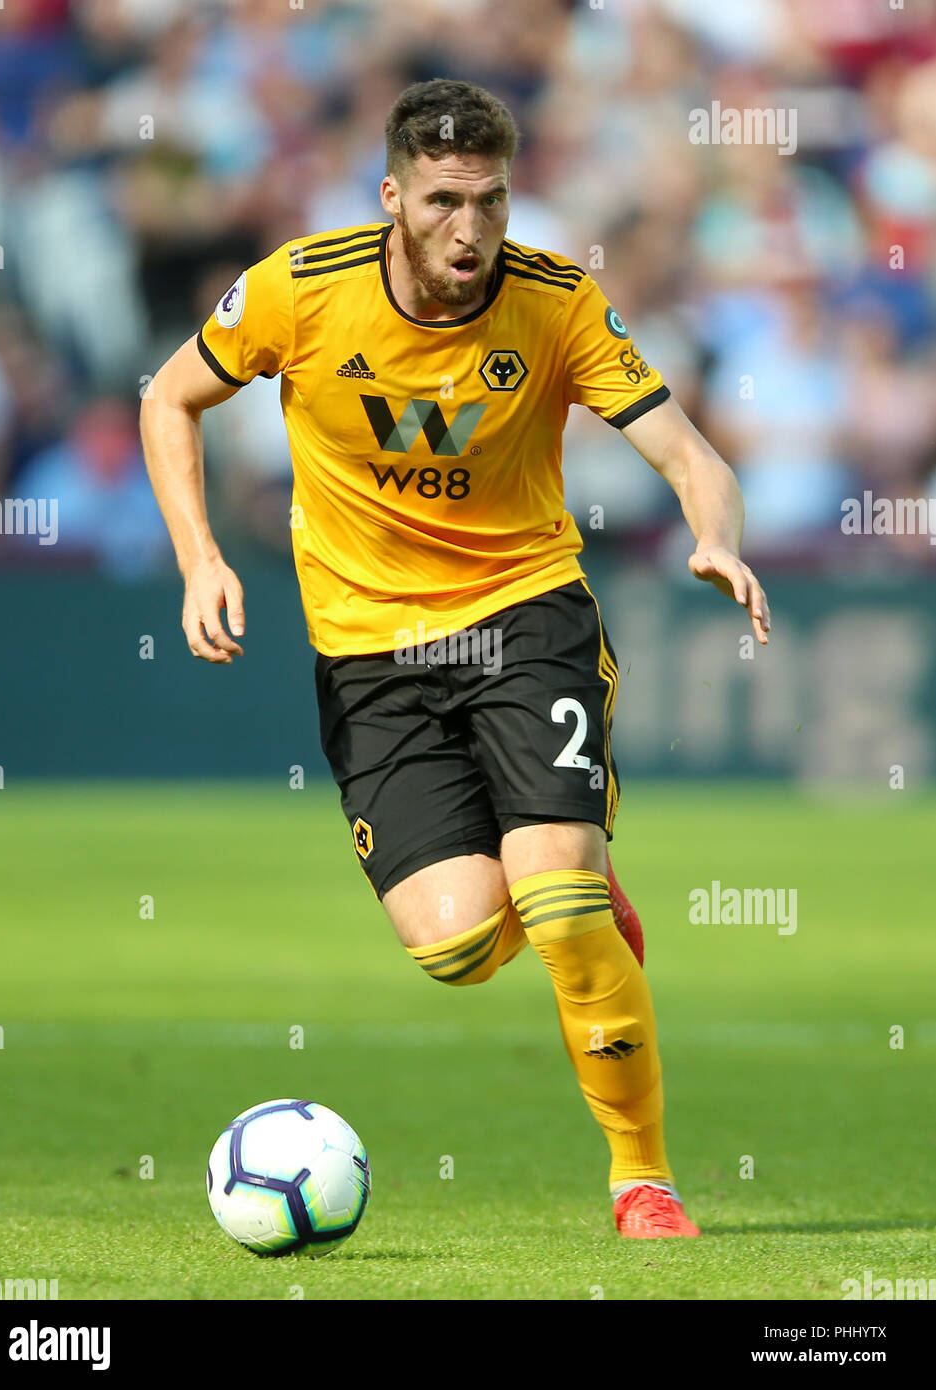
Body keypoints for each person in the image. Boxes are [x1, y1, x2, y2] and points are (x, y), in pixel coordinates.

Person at [141, 78, 770, 1240]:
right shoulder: (297, 289)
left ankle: (643, 1180)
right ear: (392, 194)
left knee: (564, 908)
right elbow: (168, 399)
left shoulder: (554, 301)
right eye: (441, 201)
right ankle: (565, 875)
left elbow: (689, 455)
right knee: (459, 945)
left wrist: (714, 537)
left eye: (487, 200)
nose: (468, 229)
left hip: (523, 616)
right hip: (369, 652)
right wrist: (198, 557)